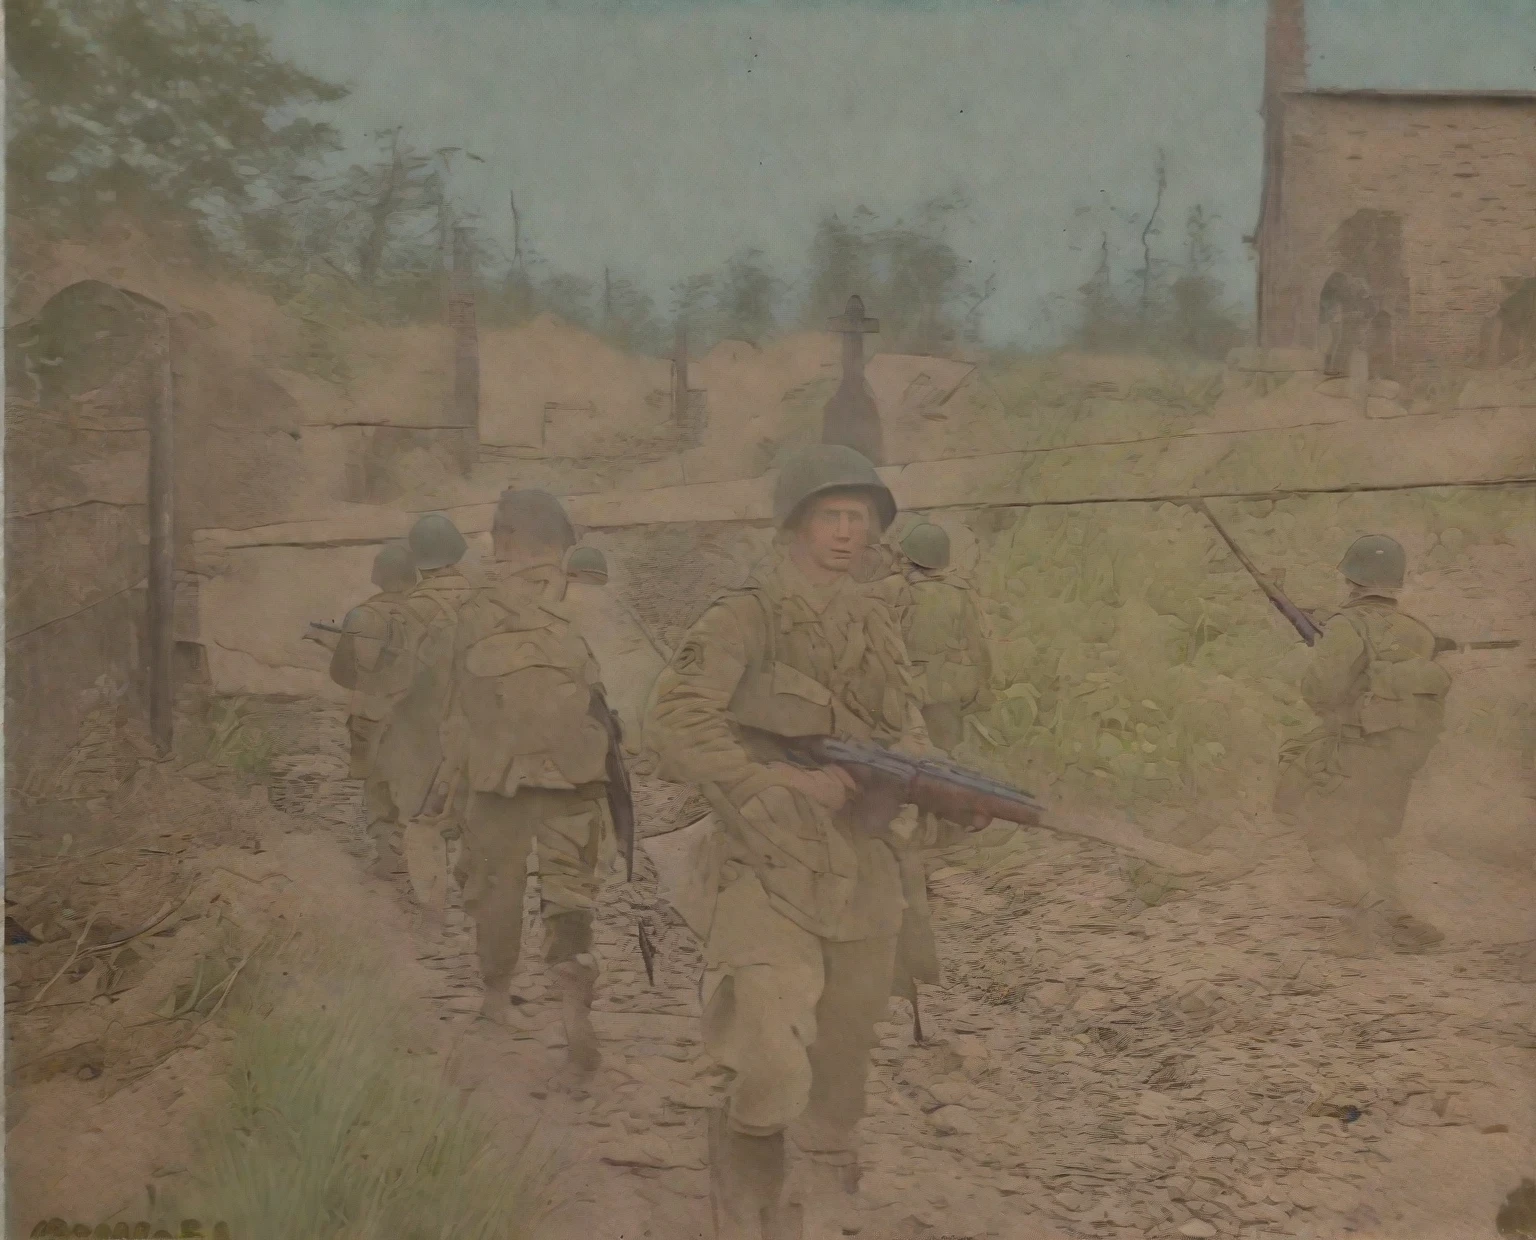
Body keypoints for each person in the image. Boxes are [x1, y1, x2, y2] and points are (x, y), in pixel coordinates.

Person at [647, 444, 972, 1240]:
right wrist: (780, 782)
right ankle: (749, 1205)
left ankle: (819, 1199)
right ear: (797, 523)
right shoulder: (745, 614)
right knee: (765, 1051)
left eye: (859, 518)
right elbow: (674, 725)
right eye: (831, 515)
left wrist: (935, 785)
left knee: (845, 1052)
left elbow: (906, 729)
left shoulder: (875, 622)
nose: (846, 533)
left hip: (860, 873)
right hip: (766, 867)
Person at [445, 489, 617, 1075]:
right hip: (574, 775)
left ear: (506, 539)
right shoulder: (587, 600)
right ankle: (572, 989)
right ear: (559, 543)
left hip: (498, 776)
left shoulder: (472, 608)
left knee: (496, 887)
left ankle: (496, 998)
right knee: (570, 890)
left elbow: (455, 699)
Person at [1273, 534, 1452, 956]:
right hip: (1401, 758)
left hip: (1353, 753)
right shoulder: (1419, 631)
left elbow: (1320, 693)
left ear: (1352, 581)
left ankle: (1374, 919)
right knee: (1374, 839)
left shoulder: (1346, 626)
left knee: (1322, 838)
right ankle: (1401, 920)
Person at [371, 514, 475, 898]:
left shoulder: (408, 611)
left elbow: (395, 681)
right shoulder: (489, 599)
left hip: (426, 736)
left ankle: (433, 920)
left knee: (422, 822)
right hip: (485, 732)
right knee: (477, 821)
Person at [323, 543, 421, 878]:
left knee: (377, 784)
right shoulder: (428, 612)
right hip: (417, 713)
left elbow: (340, 673)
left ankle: (387, 853)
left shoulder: (361, 615)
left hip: (371, 712)